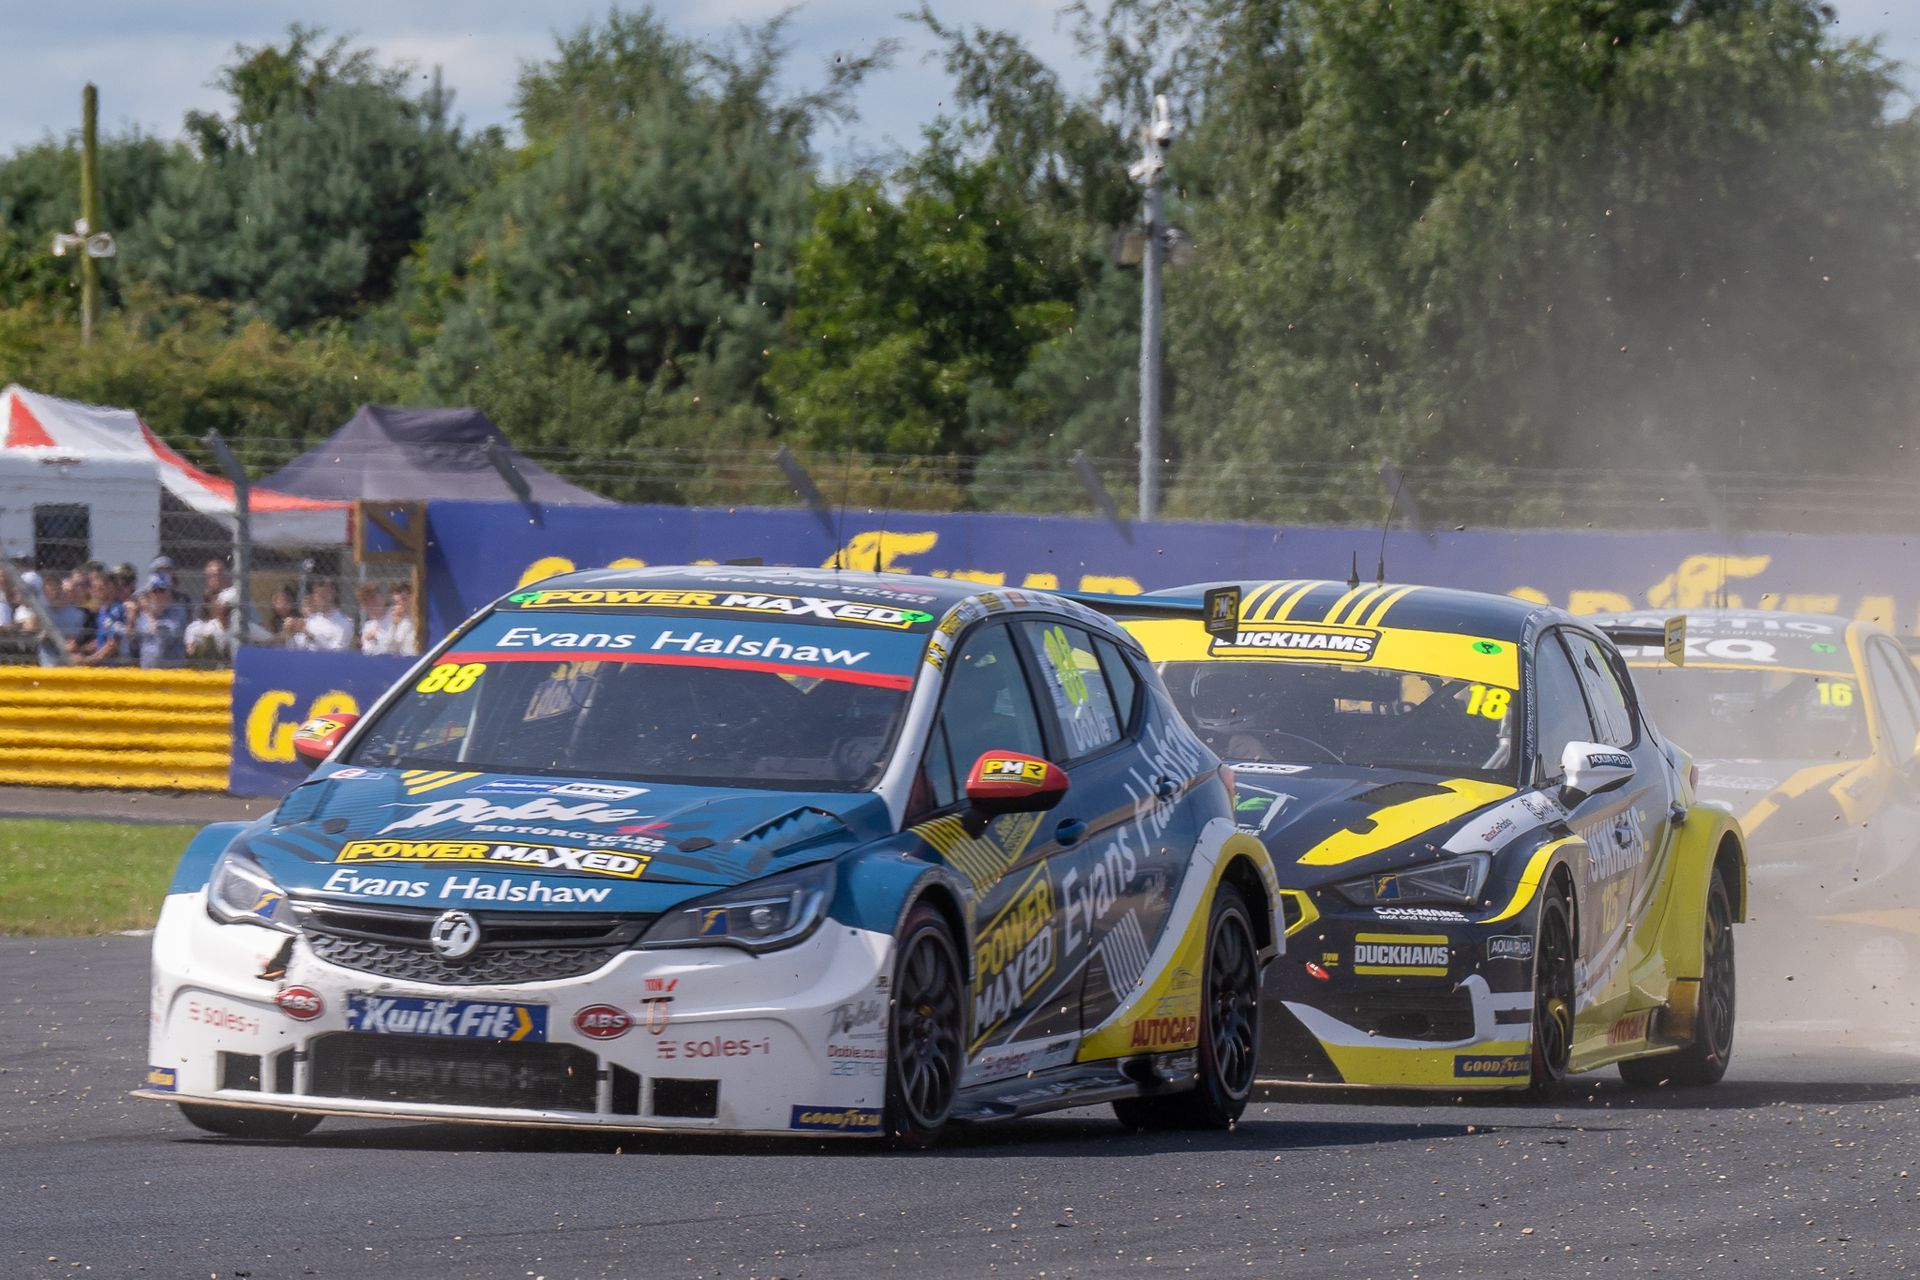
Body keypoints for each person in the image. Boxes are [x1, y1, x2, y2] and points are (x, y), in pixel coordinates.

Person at [77, 563, 136, 666]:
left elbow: (113, 645)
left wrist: (90, 660)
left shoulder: (118, 610)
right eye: (94, 588)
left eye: (100, 589)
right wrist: (82, 649)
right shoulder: (103, 610)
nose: (95, 592)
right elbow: (102, 639)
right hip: (104, 664)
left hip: (116, 667)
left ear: (110, 587)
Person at [132, 571, 190, 668]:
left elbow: (168, 639)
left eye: (162, 590)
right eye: (155, 590)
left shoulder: (178, 612)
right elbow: (135, 642)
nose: (159, 595)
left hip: (171, 673)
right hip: (147, 673)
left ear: (169, 592)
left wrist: (154, 618)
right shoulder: (143, 615)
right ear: (150, 593)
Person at [289, 581, 352, 651]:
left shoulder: (344, 623)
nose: (321, 599)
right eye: (318, 595)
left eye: (324, 595)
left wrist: (312, 637)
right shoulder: (310, 621)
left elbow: (337, 653)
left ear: (333, 595)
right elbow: (297, 647)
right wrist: (291, 633)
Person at [355, 582, 390, 652]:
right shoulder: (368, 626)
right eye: (365, 600)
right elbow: (368, 651)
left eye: (372, 597)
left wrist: (378, 635)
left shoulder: (395, 616)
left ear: (383, 597)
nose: (370, 603)